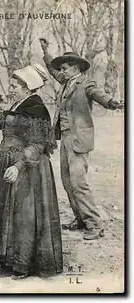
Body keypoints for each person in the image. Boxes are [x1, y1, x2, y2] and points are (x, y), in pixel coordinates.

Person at [0, 64, 63, 279]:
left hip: (27, 168)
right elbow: (6, 125)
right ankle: (10, 258)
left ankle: (24, 264)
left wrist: (17, 166)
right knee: (8, 214)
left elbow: (37, 143)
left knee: (24, 215)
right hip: (9, 164)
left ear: (27, 87)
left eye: (14, 86)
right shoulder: (20, 103)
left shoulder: (36, 108)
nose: (11, 89)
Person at [39, 38, 123, 240]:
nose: (62, 71)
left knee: (79, 183)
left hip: (79, 140)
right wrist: (46, 51)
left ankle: (95, 224)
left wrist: (114, 103)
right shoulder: (66, 82)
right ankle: (80, 220)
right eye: (61, 69)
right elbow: (52, 70)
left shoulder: (86, 83)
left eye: (65, 68)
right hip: (65, 139)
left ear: (75, 68)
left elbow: (99, 95)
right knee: (68, 182)